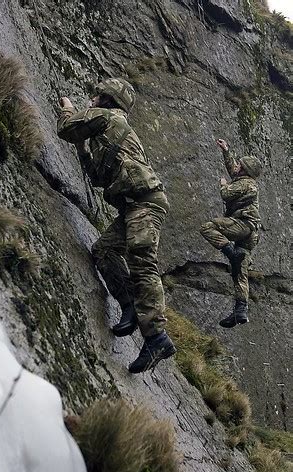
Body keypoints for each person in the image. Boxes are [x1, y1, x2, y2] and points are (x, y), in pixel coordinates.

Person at [57, 78, 176, 372]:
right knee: (104, 251)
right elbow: (98, 177)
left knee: (142, 261)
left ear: (104, 98)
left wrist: (68, 110)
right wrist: (84, 147)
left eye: (95, 95)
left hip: (144, 202)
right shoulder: (110, 129)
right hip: (135, 205)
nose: (92, 98)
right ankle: (129, 306)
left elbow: (67, 128)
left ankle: (157, 338)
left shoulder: (107, 116)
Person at [200, 139, 262, 328]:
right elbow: (233, 170)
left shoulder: (246, 184)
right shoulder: (245, 181)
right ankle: (241, 310)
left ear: (245, 171)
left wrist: (223, 184)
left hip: (242, 224)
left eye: (240, 165)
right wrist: (226, 152)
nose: (237, 166)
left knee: (207, 227)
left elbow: (226, 194)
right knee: (240, 272)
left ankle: (231, 253)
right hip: (252, 232)